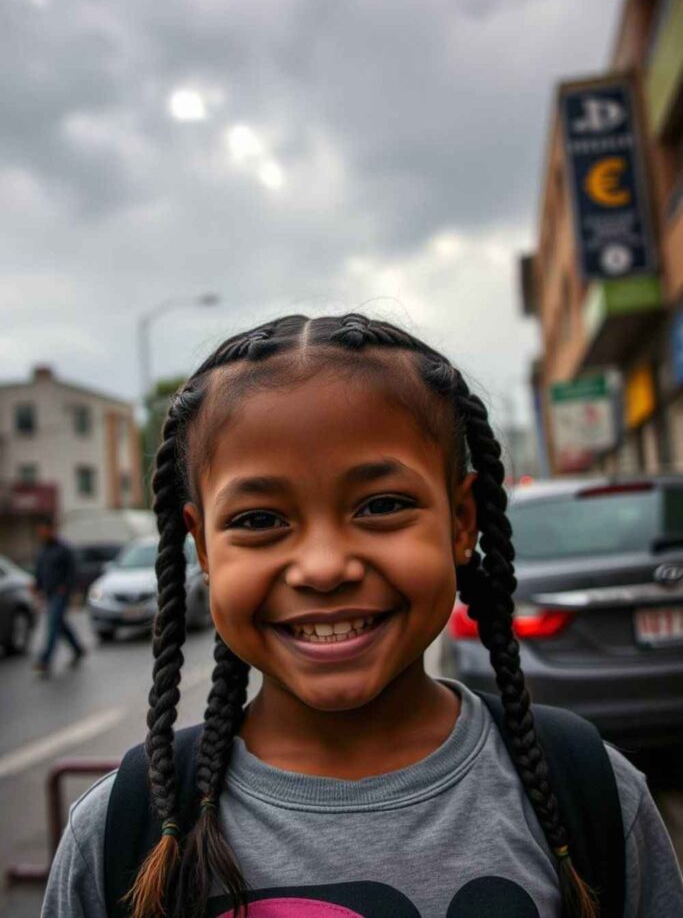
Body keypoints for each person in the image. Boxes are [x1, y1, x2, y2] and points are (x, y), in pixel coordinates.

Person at [42, 314, 682, 918]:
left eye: (381, 506)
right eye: (259, 520)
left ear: (462, 523)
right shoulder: (128, 828)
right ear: (204, 546)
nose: (323, 567)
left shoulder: (588, 791)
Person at [34, 517, 85, 677]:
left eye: (44, 530)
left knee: (53, 625)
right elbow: (40, 572)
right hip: (49, 593)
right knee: (60, 625)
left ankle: (44, 660)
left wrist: (67, 587)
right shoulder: (42, 551)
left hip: (60, 593)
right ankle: (78, 649)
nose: (41, 534)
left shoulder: (63, 549)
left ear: (51, 530)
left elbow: (73, 571)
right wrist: (38, 588)